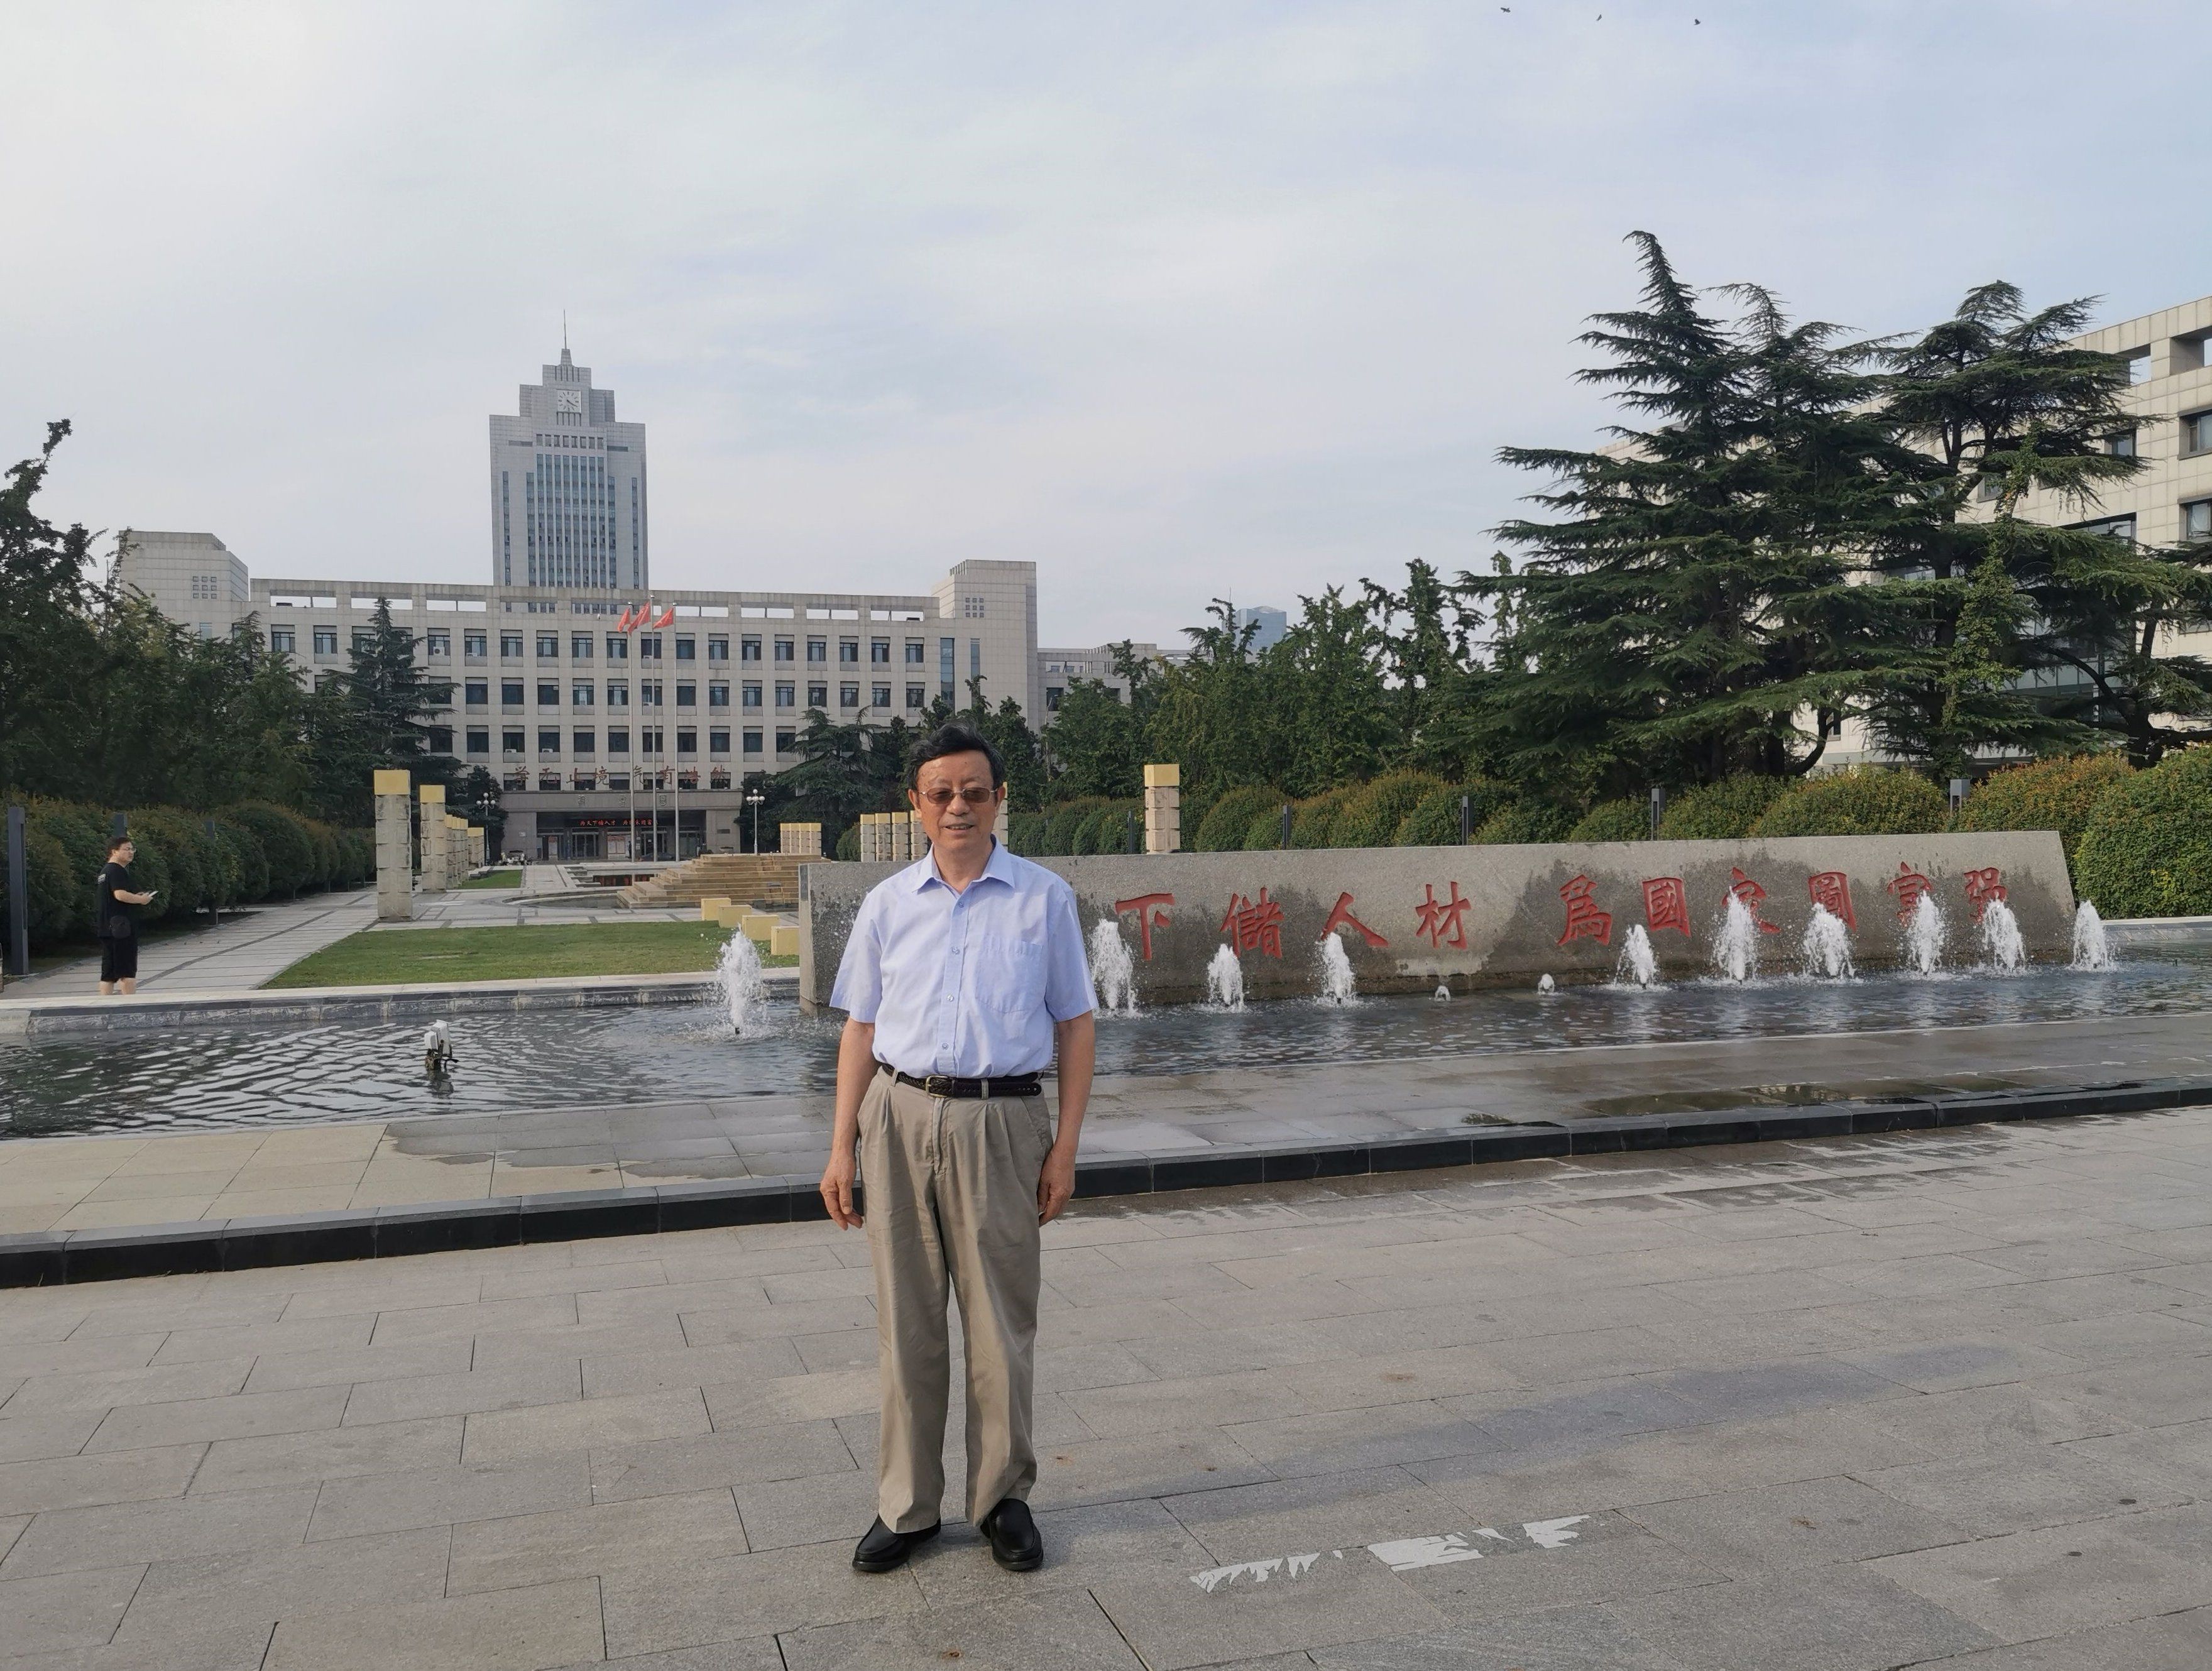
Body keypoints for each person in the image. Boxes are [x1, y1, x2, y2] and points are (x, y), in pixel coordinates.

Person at [821, 722, 1096, 1575]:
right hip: (897, 1114)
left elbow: (1075, 1023)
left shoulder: (1043, 898)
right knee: (906, 1322)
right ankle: (906, 1505)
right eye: (941, 792)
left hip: (1001, 1121)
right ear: (917, 803)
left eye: (975, 791)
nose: (958, 807)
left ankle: (1002, 1498)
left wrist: (1065, 1147)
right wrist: (840, 1146)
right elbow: (860, 1027)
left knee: (999, 1322)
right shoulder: (888, 904)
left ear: (999, 799)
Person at [96, 836, 156, 996]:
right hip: (121, 928)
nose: (131, 852)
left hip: (107, 926)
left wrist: (134, 896)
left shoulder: (105, 872)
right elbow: (120, 895)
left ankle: (105, 1005)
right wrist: (141, 900)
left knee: (108, 973)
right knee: (127, 972)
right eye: (127, 849)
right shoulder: (117, 870)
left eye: (132, 849)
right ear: (114, 851)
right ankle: (129, 1004)